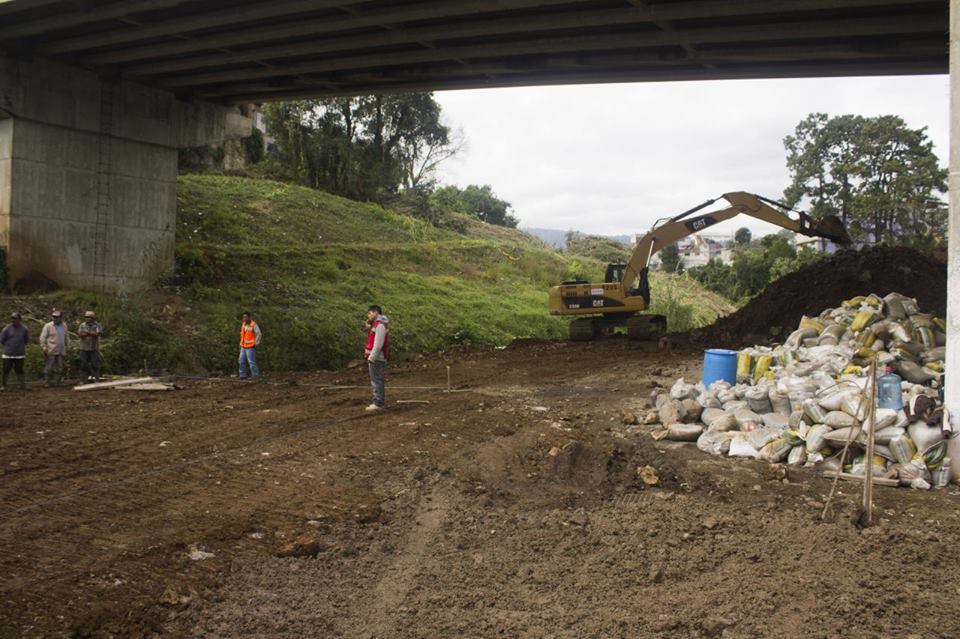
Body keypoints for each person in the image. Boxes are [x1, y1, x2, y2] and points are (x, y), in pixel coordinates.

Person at [363, 305, 390, 411]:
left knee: (376, 380)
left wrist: (372, 357)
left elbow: (378, 343)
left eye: (369, 313)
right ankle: (379, 401)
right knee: (377, 379)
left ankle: (378, 402)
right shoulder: (377, 325)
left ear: (375, 312)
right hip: (377, 357)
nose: (368, 315)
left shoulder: (380, 325)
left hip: (377, 357)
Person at [39, 310, 70, 387]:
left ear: (60, 318)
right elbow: (43, 337)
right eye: (54, 317)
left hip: (61, 350)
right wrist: (44, 347)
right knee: (49, 367)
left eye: (57, 317)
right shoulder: (48, 326)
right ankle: (47, 382)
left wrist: (68, 346)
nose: (55, 318)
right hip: (51, 349)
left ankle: (57, 382)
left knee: (60, 368)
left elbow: (67, 337)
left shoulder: (64, 325)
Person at [0, 312, 29, 391]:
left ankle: (22, 385)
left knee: (19, 369)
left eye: (15, 318)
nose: (13, 320)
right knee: (6, 369)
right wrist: (9, 346)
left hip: (19, 354)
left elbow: (26, 340)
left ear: (19, 319)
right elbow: (2, 340)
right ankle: (3, 385)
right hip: (8, 353)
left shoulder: (24, 329)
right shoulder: (7, 329)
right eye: (12, 318)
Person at [78, 311, 103, 382]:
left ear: (92, 318)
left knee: (95, 365)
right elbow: (80, 334)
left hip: (94, 348)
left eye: (88, 317)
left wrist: (87, 332)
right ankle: (82, 380)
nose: (86, 318)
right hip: (83, 348)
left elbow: (97, 334)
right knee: (83, 364)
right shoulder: (82, 325)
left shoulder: (97, 325)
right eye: (85, 317)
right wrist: (90, 333)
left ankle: (96, 380)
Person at [238, 312, 262, 381]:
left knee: (251, 362)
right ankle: (242, 375)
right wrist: (240, 344)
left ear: (249, 317)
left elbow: (259, 334)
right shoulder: (243, 324)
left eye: (246, 317)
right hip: (243, 346)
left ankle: (255, 376)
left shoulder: (253, 324)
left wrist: (256, 343)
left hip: (250, 346)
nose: (244, 319)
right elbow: (242, 335)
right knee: (241, 361)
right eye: (244, 317)